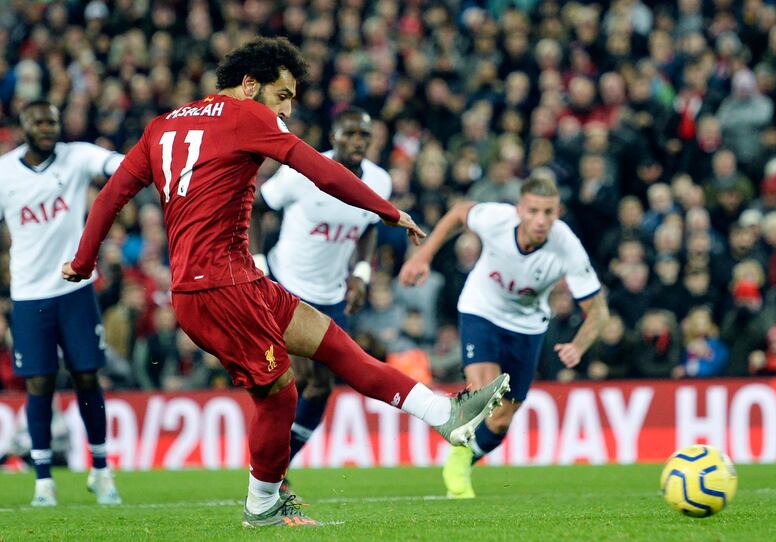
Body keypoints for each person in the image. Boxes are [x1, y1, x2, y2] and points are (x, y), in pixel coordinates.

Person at [61, 38, 509, 527]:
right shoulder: (249, 117)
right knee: (281, 394)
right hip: (221, 288)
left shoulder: (163, 126)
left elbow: (109, 197)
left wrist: (83, 263)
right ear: (249, 84)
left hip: (230, 281)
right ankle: (262, 505)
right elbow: (322, 171)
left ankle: (443, 414)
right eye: (283, 94)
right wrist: (388, 211)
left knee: (337, 347)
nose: (288, 109)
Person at [399, 174, 609, 498]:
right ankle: (457, 431)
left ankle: (464, 455)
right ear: (519, 209)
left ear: (558, 212)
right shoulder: (496, 219)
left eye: (548, 213)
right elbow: (458, 213)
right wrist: (422, 256)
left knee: (499, 421)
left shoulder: (567, 247)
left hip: (527, 325)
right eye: (534, 211)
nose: (540, 220)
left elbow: (598, 311)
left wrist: (579, 345)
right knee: (486, 392)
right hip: (481, 308)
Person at [256, 106, 388, 491]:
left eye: (363, 135)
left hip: (332, 296)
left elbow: (369, 226)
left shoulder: (379, 180)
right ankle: (271, 473)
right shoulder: (303, 172)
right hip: (288, 286)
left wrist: (361, 274)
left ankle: (278, 468)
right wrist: (259, 263)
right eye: (350, 134)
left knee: (321, 386)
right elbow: (258, 208)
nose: (357, 142)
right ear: (334, 137)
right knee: (299, 378)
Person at [0, 100, 123, 506]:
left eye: (52, 121)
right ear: (24, 126)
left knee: (87, 376)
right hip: (29, 295)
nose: (47, 128)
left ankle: (101, 471)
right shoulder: (5, 173)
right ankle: (43, 482)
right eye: (39, 122)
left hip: (74, 289)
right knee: (40, 384)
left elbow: (117, 166)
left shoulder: (75, 157)